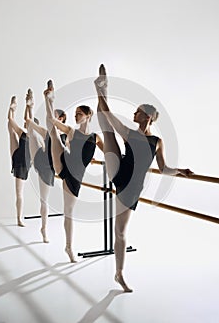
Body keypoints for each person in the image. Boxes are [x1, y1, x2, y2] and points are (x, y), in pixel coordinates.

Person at [94, 64, 193, 292]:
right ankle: (101, 87)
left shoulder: (157, 141)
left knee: (120, 232)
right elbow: (108, 115)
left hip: (132, 187)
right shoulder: (129, 133)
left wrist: (180, 170)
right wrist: (101, 93)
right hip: (119, 171)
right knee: (107, 128)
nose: (133, 114)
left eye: (137, 112)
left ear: (147, 116)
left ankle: (119, 273)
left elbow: (164, 168)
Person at [44, 80, 104, 262]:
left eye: (79, 114)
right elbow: (52, 121)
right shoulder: (71, 131)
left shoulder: (95, 137)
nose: (76, 116)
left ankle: (68, 247)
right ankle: (49, 97)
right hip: (63, 163)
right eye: (75, 114)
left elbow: (109, 153)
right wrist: (48, 100)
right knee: (53, 133)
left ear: (88, 115)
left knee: (68, 211)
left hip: (76, 175)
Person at [24, 89, 67, 243]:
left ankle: (44, 229)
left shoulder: (65, 135)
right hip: (39, 157)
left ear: (61, 118)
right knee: (32, 128)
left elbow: (70, 149)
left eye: (55, 115)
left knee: (44, 200)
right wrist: (29, 107)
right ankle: (31, 104)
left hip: (48, 167)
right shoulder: (48, 132)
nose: (51, 117)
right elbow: (28, 122)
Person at [8, 95, 31, 227]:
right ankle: (19, 219)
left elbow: (11, 120)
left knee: (11, 130)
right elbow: (13, 120)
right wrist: (27, 106)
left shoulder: (31, 136)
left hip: (21, 162)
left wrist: (13, 109)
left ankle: (19, 218)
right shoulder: (27, 134)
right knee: (19, 194)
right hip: (20, 162)